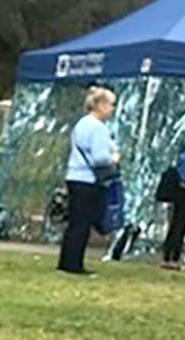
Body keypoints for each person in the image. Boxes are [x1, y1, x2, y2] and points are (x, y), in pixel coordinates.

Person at [58, 86, 120, 275]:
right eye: (110, 104)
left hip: (75, 176)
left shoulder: (81, 124)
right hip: (89, 179)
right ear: (99, 105)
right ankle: (74, 264)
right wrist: (114, 159)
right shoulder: (98, 128)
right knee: (83, 223)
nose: (112, 109)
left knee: (75, 222)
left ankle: (66, 260)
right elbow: (99, 158)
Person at [161, 146, 185, 270]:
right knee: (179, 226)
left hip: (178, 192)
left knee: (176, 224)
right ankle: (173, 257)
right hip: (182, 193)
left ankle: (168, 256)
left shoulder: (181, 155)